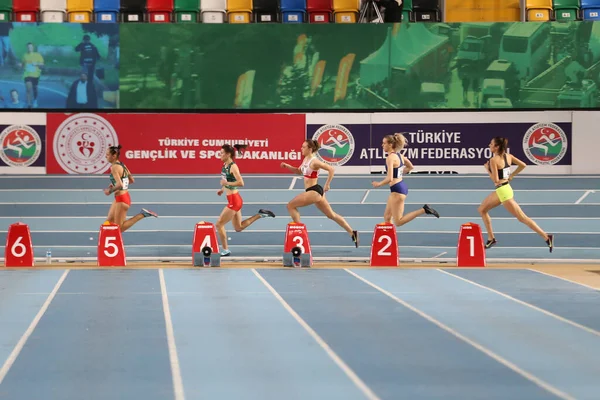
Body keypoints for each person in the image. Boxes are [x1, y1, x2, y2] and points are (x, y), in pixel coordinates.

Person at [478, 136, 554, 252]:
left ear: (497, 147)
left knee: (522, 218)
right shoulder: (508, 157)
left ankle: (546, 236)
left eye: (491, 144)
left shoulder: (493, 160)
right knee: (482, 210)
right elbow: (523, 165)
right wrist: (512, 175)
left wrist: (487, 169)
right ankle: (491, 238)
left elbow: (496, 180)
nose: (489, 145)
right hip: (504, 189)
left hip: (503, 191)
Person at [281, 139, 359, 247]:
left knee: (290, 205)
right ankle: (352, 233)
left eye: (303, 147)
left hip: (314, 191)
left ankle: (299, 233)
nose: (301, 149)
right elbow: (299, 171)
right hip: (315, 192)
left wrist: (327, 184)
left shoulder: (314, 161)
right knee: (331, 215)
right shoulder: (306, 160)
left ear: (310, 149)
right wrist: (287, 166)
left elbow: (331, 169)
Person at [216, 144, 275, 257]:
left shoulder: (233, 167)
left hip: (234, 201)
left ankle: (225, 249)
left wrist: (226, 184)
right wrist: (222, 189)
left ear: (228, 154)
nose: (220, 154)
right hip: (234, 199)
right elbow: (227, 181)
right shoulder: (225, 165)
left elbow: (241, 183)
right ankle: (260, 214)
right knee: (238, 228)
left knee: (219, 225)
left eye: (222, 153)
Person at [371, 133, 440, 226]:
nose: (382, 145)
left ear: (390, 145)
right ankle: (392, 239)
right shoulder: (400, 156)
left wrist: (378, 184)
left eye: (384, 143)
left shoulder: (390, 158)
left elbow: (389, 178)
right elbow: (410, 167)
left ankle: (424, 210)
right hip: (399, 187)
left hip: (397, 191)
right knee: (387, 216)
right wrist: (399, 173)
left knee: (398, 222)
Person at [103, 145, 158, 231]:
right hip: (122, 197)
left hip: (122, 200)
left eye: (107, 154)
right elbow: (131, 180)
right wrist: (114, 183)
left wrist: (109, 191)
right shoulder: (122, 165)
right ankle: (105, 241)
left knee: (119, 229)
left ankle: (143, 214)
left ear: (113, 156)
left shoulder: (114, 168)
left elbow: (120, 185)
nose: (105, 156)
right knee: (109, 221)